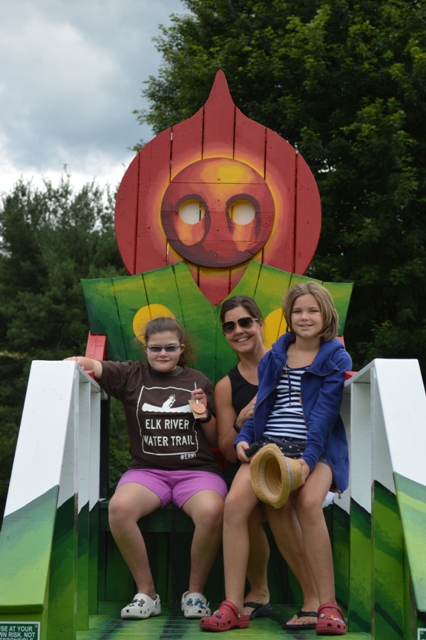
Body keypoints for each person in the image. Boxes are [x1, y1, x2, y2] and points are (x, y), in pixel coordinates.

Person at [200, 282, 351, 635]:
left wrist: (307, 461)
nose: (304, 317)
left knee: (309, 503)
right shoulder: (274, 358)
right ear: (287, 316)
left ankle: (328, 605)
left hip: (315, 449)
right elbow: (263, 407)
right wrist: (243, 438)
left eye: (312, 310)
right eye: (297, 311)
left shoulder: (335, 357)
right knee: (235, 505)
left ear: (327, 314)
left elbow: (324, 417)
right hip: (270, 447)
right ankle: (232, 604)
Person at [65, 317, 227, 621]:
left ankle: (195, 593)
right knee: (119, 509)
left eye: (170, 348)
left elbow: (216, 439)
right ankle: (147, 593)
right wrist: (73, 362)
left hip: (197, 472)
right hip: (148, 472)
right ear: (146, 348)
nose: (163, 353)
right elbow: (94, 364)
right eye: (156, 348)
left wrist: (203, 414)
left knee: (213, 511)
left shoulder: (198, 380)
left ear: (181, 348)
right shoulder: (131, 374)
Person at [216, 295, 320, 630]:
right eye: (230, 326)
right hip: (253, 459)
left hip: (298, 455)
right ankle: (239, 600)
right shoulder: (226, 385)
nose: (239, 330)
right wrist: (241, 422)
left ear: (260, 324)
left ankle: (313, 597)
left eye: (245, 322)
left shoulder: (287, 360)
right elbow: (227, 450)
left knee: (277, 503)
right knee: (237, 504)